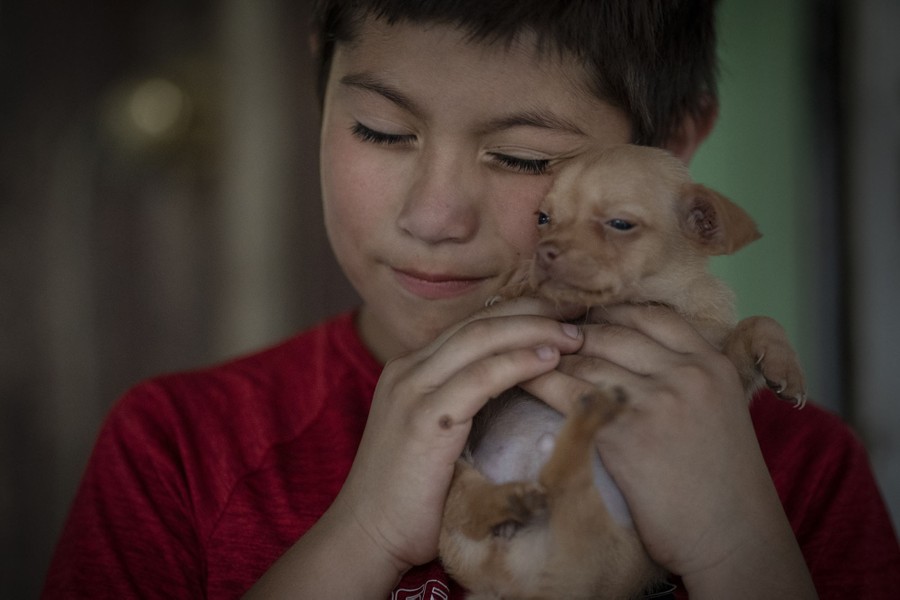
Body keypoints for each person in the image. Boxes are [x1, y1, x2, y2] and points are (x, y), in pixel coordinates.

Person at [43, 1, 900, 598]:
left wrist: (732, 546)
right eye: (382, 130)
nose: (433, 217)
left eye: (528, 160)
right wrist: (364, 539)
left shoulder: (797, 473)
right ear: (320, 79)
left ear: (670, 150)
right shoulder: (175, 448)